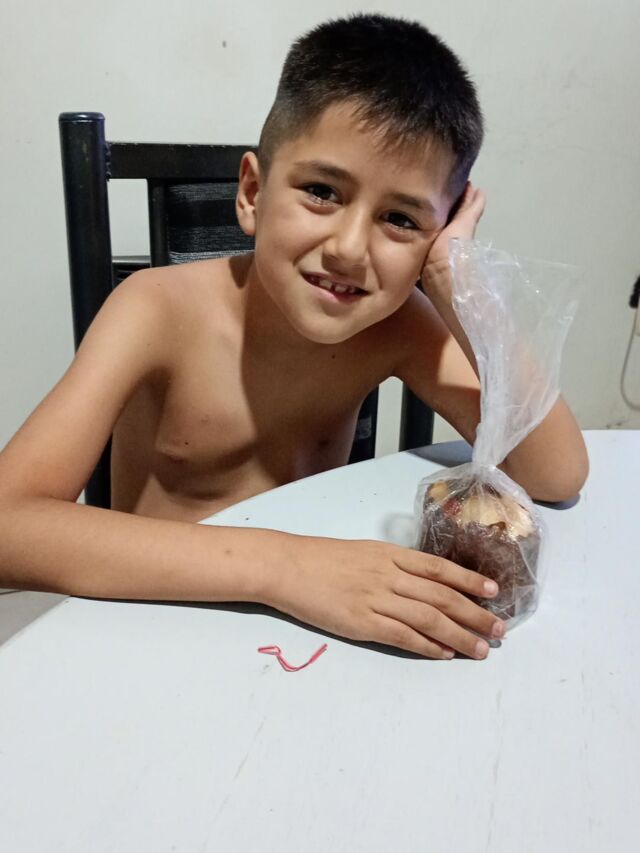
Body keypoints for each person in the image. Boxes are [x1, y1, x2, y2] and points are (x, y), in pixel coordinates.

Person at [0, 14, 588, 661]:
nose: (349, 249)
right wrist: (286, 566)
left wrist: (458, 284)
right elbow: (8, 525)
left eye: (400, 219)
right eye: (321, 191)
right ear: (252, 192)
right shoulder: (154, 310)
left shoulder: (397, 324)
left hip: (307, 633)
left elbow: (555, 473)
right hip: (159, 626)